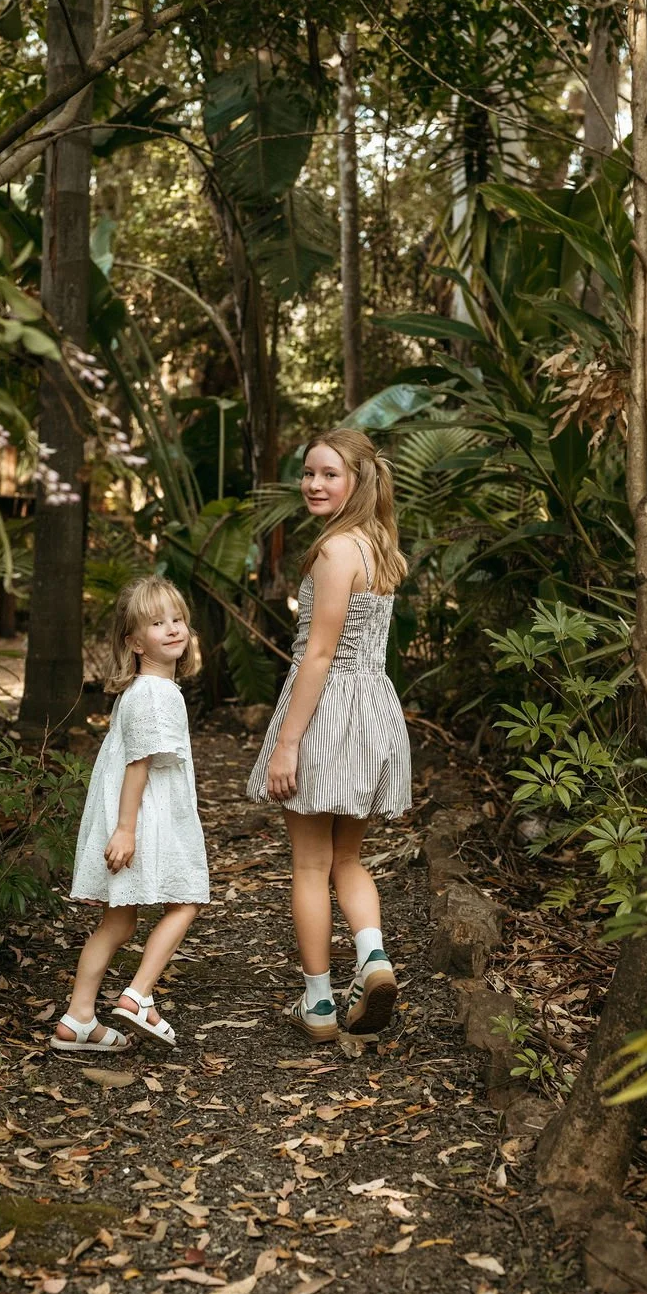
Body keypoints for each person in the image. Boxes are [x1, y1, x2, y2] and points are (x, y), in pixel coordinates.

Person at [247, 429, 412, 1041]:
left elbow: (318, 654)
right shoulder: (379, 546)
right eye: (309, 473)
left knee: (311, 863)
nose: (314, 484)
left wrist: (288, 742)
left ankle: (318, 1003)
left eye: (329, 475)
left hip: (328, 709)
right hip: (372, 708)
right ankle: (374, 959)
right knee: (349, 857)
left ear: (358, 480)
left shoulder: (335, 550)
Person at [51, 576, 209, 1053]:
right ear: (135, 642)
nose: (172, 628)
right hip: (144, 817)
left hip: (135, 813)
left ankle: (79, 1018)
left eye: (177, 619)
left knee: (118, 924)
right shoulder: (156, 694)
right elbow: (137, 764)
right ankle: (139, 995)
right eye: (157, 623)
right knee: (188, 898)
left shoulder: (145, 690)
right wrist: (126, 830)